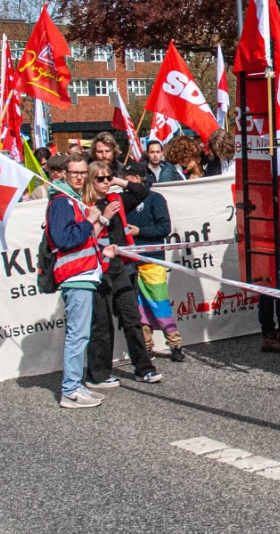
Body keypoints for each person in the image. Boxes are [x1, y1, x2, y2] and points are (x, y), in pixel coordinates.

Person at [82, 161, 162, 389]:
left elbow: (142, 191)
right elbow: (85, 236)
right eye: (101, 179)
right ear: (90, 180)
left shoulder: (115, 198)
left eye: (108, 178)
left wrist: (118, 180)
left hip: (121, 267)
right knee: (102, 324)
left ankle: (144, 369)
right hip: (97, 269)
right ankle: (98, 374)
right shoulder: (85, 204)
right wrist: (104, 216)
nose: (106, 182)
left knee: (131, 318)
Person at [47, 154, 113, 408]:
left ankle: (75, 385)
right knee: (78, 335)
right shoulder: (62, 202)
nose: (79, 177)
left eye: (83, 172)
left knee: (81, 334)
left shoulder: (72, 200)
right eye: (74, 172)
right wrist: (90, 220)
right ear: (64, 173)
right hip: (75, 275)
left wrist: (101, 250)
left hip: (84, 273)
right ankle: (70, 390)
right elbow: (64, 239)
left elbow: (81, 239)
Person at [119, 162, 183, 361]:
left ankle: (174, 343)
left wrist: (140, 232)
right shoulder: (121, 201)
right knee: (138, 307)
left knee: (159, 303)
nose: (123, 184)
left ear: (137, 179)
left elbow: (164, 228)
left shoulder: (155, 199)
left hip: (153, 260)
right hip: (130, 261)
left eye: (127, 179)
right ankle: (146, 346)